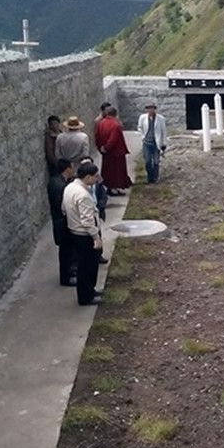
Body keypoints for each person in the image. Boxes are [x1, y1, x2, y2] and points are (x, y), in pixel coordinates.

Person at [62, 162, 104, 305]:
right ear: (87, 177)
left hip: (74, 231)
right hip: (84, 234)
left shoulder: (69, 187)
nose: (97, 179)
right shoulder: (83, 195)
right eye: (95, 176)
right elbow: (87, 221)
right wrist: (96, 237)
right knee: (88, 267)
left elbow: (63, 208)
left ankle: (89, 291)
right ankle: (86, 296)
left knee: (84, 265)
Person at [48, 158, 75, 286]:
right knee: (65, 251)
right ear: (68, 169)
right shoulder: (59, 186)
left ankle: (70, 272)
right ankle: (66, 278)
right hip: (61, 223)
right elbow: (61, 205)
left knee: (68, 250)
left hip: (61, 221)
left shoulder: (57, 182)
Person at [95, 106, 131, 195]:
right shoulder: (115, 125)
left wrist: (101, 148)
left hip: (106, 152)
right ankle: (114, 189)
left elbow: (97, 136)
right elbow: (113, 139)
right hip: (116, 152)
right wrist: (106, 147)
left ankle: (109, 187)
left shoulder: (101, 123)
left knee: (107, 170)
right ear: (115, 114)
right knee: (116, 172)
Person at [137, 102, 167, 184]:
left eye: (152, 108)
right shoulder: (142, 117)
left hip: (156, 143)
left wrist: (164, 143)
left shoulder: (160, 119)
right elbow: (139, 128)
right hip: (147, 142)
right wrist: (143, 136)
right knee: (147, 161)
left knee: (156, 161)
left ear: (154, 109)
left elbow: (164, 131)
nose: (150, 110)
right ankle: (150, 177)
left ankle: (155, 177)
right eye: (148, 108)